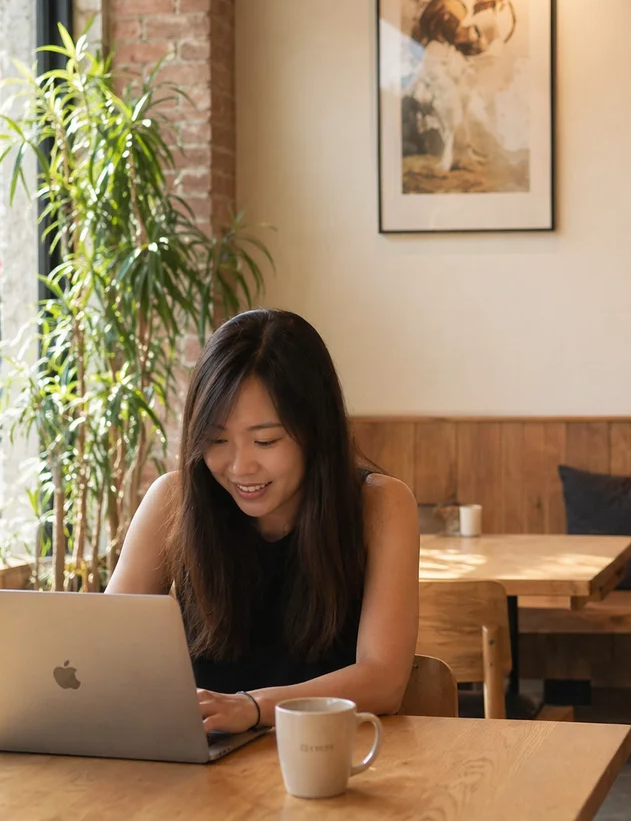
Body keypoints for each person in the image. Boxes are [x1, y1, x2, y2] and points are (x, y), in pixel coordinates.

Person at [108, 309, 419, 734]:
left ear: (316, 431)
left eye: (265, 441)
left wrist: (254, 707)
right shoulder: (172, 501)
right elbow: (104, 651)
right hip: (202, 761)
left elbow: (384, 680)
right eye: (216, 440)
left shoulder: (381, 506)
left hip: (329, 755)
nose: (240, 466)